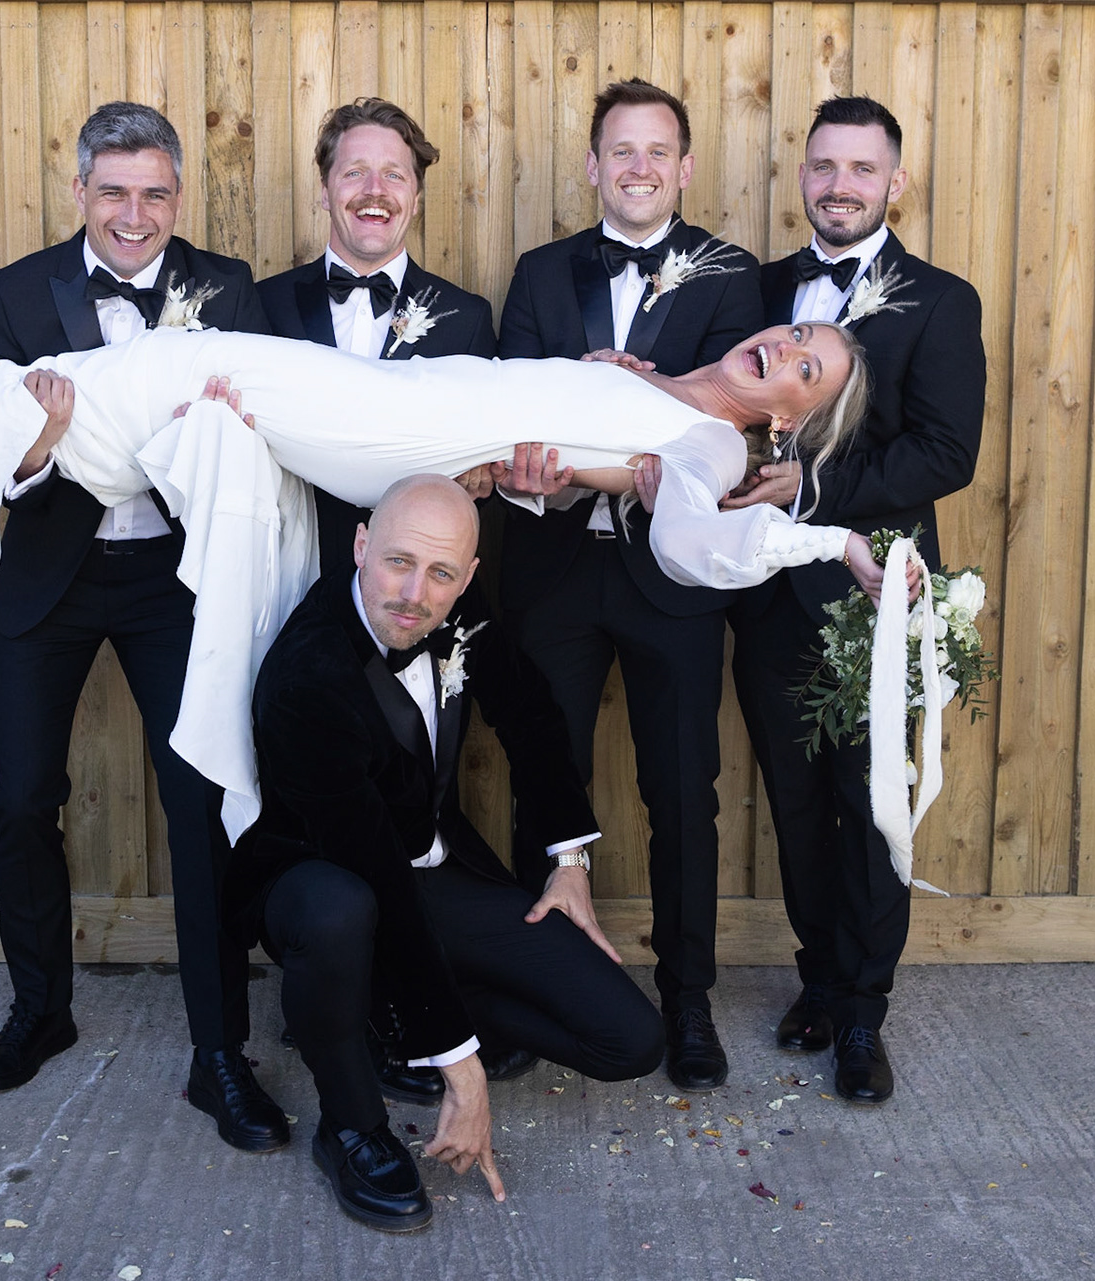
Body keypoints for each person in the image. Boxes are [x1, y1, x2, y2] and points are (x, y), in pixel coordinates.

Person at [0, 284, 884, 856]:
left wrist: (827, 542)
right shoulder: (653, 383)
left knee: (183, 361)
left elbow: (697, 548)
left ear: (794, 416)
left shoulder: (712, 447)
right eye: (796, 334)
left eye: (807, 369)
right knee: (155, 400)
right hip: (412, 405)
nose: (785, 348)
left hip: (398, 436)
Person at [0, 100, 288, 1154]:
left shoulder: (228, 288)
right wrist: (42, 441)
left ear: (178, 197)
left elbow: (259, 443)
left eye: (155, 194)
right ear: (80, 192)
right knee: (22, 801)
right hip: (53, 574)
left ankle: (217, 1053)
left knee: (202, 804)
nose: (134, 215)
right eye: (113, 193)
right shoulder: (13, 294)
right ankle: (40, 1009)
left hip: (174, 582)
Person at [224, 472, 663, 1231]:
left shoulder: (450, 609)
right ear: (361, 545)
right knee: (342, 910)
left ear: (468, 577)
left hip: (426, 872)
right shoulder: (311, 674)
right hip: (317, 878)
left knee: (630, 1038)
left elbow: (527, 710)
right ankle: (352, 1126)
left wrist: (569, 858)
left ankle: (394, 1005)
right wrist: (462, 1066)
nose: (414, 594)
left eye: (441, 574)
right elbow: (371, 871)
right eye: (397, 561)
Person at [493, 77, 763, 1092]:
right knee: (541, 786)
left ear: (684, 169)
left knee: (682, 794)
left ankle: (686, 1002)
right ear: (594, 165)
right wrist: (547, 452)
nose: (640, 167)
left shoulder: (732, 279)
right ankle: (540, 996)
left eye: (659, 152)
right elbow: (512, 399)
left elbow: (733, 417)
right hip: (555, 564)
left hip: (676, 576)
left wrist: (640, 396)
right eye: (622, 150)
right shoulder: (540, 271)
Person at [728, 95, 986, 1106]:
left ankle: (865, 1013)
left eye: (862, 170)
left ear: (896, 183)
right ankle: (819, 984)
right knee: (795, 806)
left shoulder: (940, 300)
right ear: (803, 173)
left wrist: (813, 490)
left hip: (878, 600)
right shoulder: (757, 287)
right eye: (824, 167)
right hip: (764, 593)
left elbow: (943, 453)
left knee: (871, 811)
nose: (840, 186)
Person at [256, 97, 500, 577]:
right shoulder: (263, 304)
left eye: (394, 175)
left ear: (416, 196)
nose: (375, 191)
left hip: (411, 588)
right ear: (325, 190)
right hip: (285, 571)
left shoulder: (466, 319)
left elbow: (481, 475)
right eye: (353, 173)